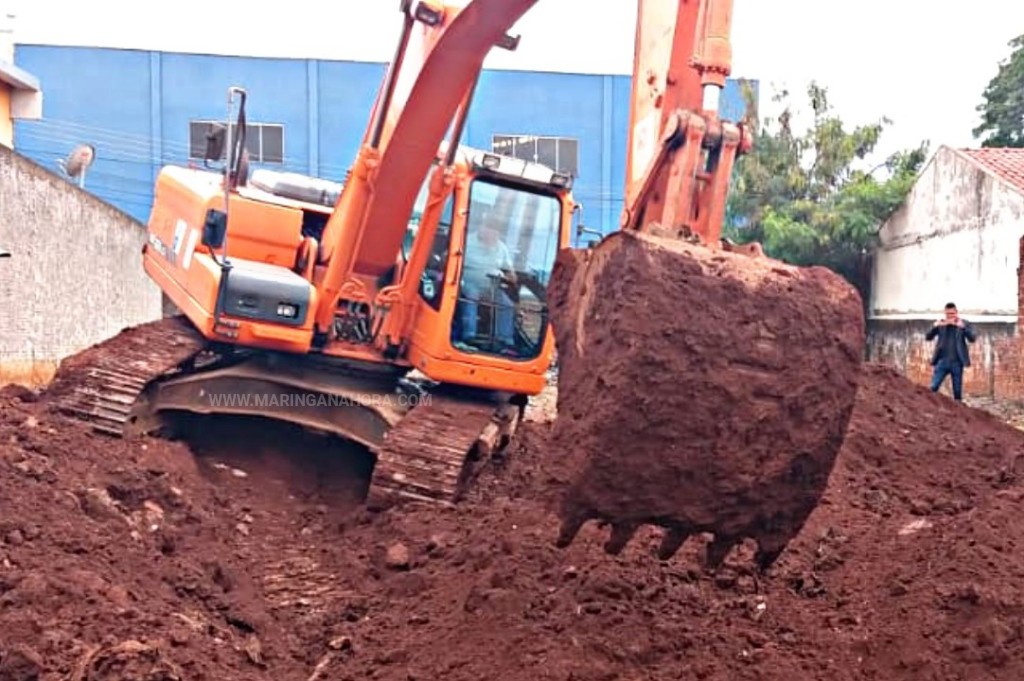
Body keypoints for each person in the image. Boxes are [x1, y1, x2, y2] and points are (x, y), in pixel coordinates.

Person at [457, 216, 517, 350]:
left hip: (492, 286)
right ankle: (469, 336)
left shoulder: (501, 248)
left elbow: (511, 273)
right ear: (482, 228)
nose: (491, 234)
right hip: (468, 282)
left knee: (507, 304)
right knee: (472, 296)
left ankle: (504, 340)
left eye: (495, 232)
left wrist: (509, 277)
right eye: (489, 229)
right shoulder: (467, 242)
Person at [925, 302, 976, 402]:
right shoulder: (941, 324)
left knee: (957, 393)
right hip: (942, 361)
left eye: (952, 314)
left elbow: (972, 338)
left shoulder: (963, 323)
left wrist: (963, 328)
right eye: (948, 314)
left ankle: (959, 414)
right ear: (945, 313)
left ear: (956, 312)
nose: (950, 316)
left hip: (957, 362)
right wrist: (935, 326)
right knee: (933, 387)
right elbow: (928, 337)